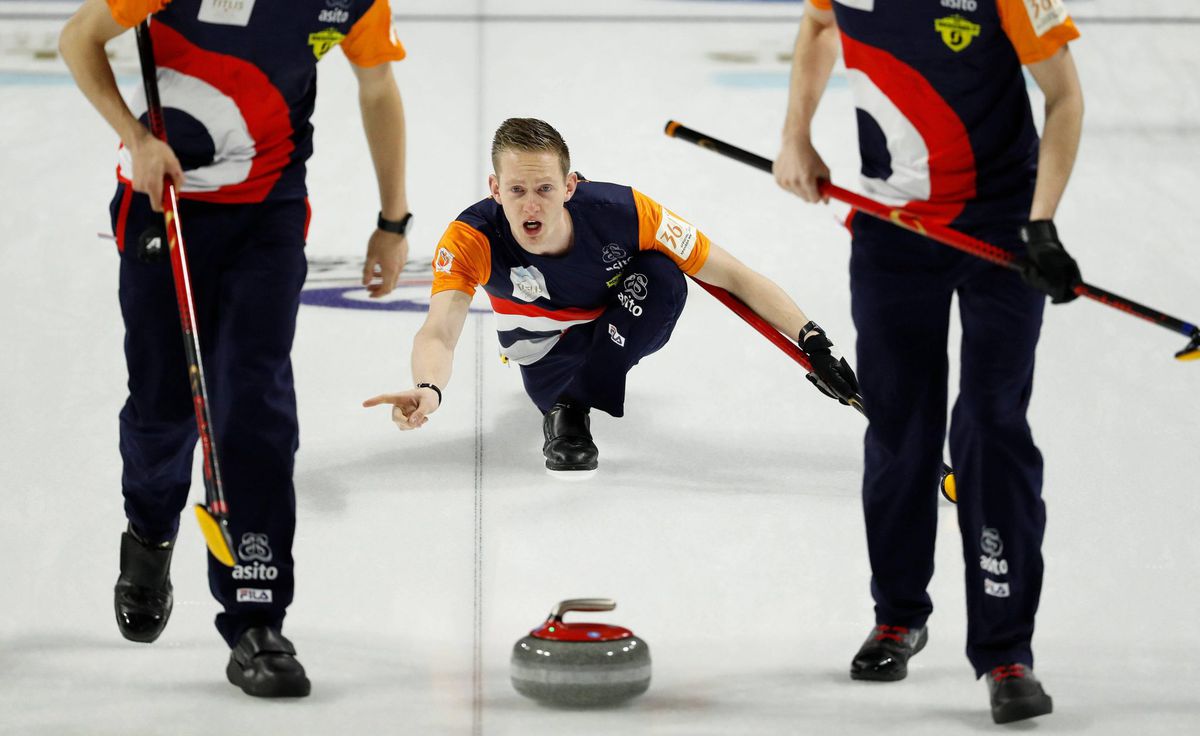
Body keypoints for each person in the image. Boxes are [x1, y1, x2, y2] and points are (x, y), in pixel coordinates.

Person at [58, 0, 412, 698]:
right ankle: (150, 534)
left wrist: (393, 220)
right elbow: (78, 40)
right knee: (163, 411)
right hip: (164, 205)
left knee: (253, 408)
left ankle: (256, 617)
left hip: (267, 216)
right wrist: (135, 137)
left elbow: (377, 85)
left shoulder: (352, 2)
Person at [773, 0, 1084, 724]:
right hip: (891, 230)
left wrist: (1040, 225)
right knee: (898, 431)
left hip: (999, 235)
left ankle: (1007, 654)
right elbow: (820, 27)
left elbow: (1063, 94)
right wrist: (797, 135)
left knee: (990, 426)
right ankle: (898, 616)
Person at [364, 117, 859, 474]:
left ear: (570, 186)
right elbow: (439, 331)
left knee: (664, 275)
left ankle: (577, 404)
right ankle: (568, 408)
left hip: (625, 322)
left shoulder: (627, 212)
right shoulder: (470, 237)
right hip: (547, 357)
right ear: (494, 189)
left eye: (544, 188)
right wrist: (428, 387)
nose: (530, 204)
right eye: (516, 190)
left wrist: (812, 340)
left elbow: (736, 276)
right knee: (569, 373)